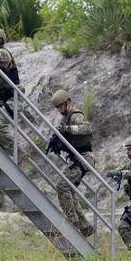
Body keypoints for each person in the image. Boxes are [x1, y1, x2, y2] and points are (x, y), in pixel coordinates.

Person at [47, 88, 95, 238]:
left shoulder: (75, 115)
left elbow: (87, 128)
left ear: (68, 102)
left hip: (83, 158)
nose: (60, 109)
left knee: (62, 185)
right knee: (70, 190)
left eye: (61, 105)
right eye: (57, 107)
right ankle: (85, 226)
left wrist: (67, 129)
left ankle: (73, 223)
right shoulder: (65, 118)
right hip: (77, 158)